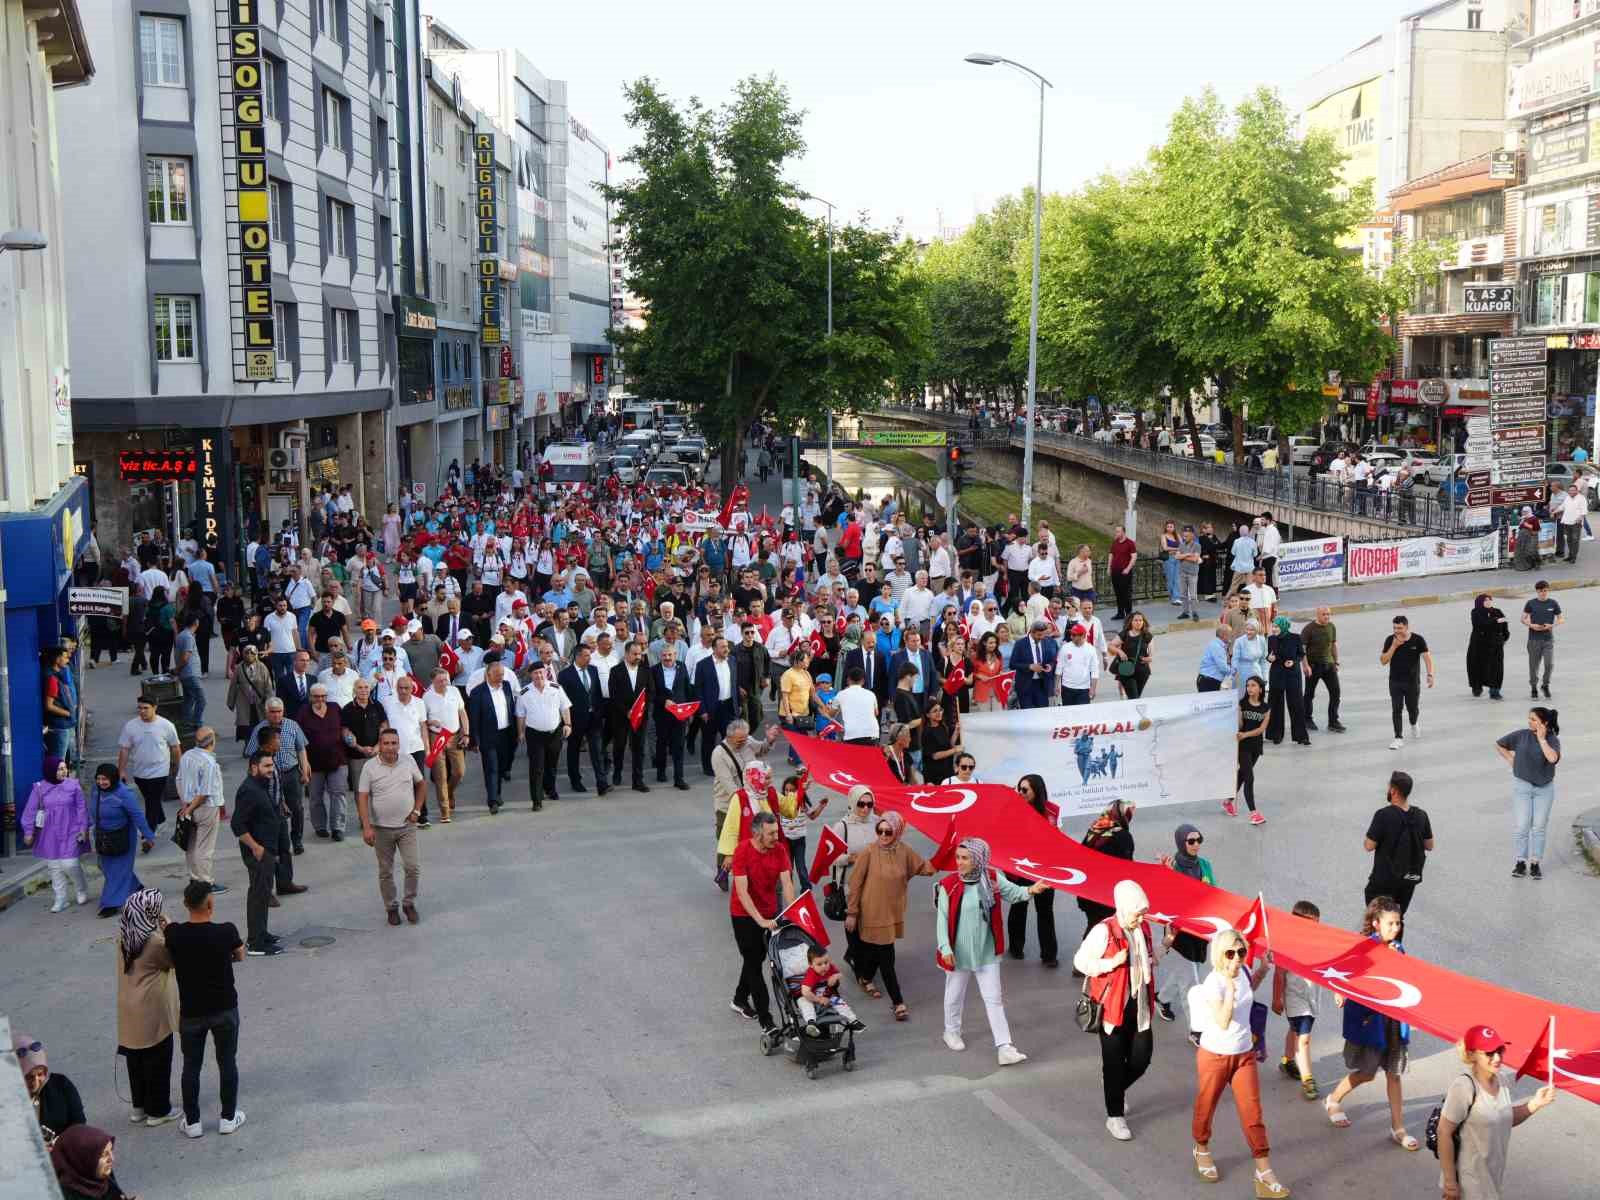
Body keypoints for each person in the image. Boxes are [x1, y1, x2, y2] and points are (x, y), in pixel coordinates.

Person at [1189, 928, 1287, 1196]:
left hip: (1244, 1054)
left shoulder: (1242, 971)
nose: (1236, 958)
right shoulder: (1214, 982)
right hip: (1215, 1054)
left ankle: (1264, 1172)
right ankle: (1201, 1147)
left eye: (1241, 951)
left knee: (1253, 1114)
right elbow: (1222, 1021)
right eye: (1230, 953)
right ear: (1219, 955)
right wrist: (1230, 990)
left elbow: (1249, 987)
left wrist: (1263, 970)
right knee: (1206, 1106)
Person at [935, 836, 1045, 1065]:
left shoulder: (993, 878)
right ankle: (951, 1031)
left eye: (965, 858)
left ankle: (1004, 1047)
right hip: (958, 952)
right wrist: (945, 947)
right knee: (954, 995)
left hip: (987, 952)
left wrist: (1033, 890)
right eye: (958, 857)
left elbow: (1015, 894)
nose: (959, 862)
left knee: (994, 999)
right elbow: (942, 919)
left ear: (978, 859)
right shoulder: (949, 885)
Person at [1323, 897, 1418, 1150]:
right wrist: (1340, 990)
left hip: (1394, 1022)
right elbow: (1343, 969)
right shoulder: (1364, 947)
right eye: (1390, 923)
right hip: (1372, 1021)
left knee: (1394, 1074)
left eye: (1398, 923)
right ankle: (1334, 1098)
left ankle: (1398, 1128)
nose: (1395, 928)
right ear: (1376, 924)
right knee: (1366, 1072)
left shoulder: (1398, 949)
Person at [1074, 879, 1162, 1140]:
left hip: (1139, 1004)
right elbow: (1080, 962)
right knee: (1113, 1063)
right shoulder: (1104, 930)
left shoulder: (1142, 928)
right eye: (1138, 912)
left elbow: (1148, 959)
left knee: (1141, 1059)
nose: (1141, 917)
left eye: (1143, 912)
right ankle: (1115, 1117)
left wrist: (1165, 945)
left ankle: (1114, 1088)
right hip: (1112, 1006)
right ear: (1124, 908)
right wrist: (1112, 962)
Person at [1437, 1024, 1557, 1200]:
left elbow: (1504, 1117)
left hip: (1492, 1178)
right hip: (1468, 1182)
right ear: (1471, 1055)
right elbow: (1444, 1132)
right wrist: (1450, 1182)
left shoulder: (1501, 1080)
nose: (1497, 1057)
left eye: (1500, 1050)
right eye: (1489, 1053)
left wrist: (1535, 1104)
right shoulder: (1464, 1087)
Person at [165, 880, 245, 1139]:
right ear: (210, 903)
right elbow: (240, 955)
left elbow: (169, 942)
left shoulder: (175, 934)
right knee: (227, 1062)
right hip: (224, 1008)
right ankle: (228, 1118)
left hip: (192, 1011)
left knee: (191, 1065)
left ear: (186, 904)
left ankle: (193, 1122)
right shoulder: (226, 931)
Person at [846, 809, 934, 1022]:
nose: (883, 836)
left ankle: (865, 976)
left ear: (898, 832)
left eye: (888, 832)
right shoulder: (869, 852)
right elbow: (855, 884)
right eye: (880, 831)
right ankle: (898, 1002)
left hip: (892, 912)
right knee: (886, 957)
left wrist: (947, 856)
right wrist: (852, 913)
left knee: (874, 954)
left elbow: (924, 868)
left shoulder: (904, 851)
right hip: (871, 912)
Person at [114, 888, 177, 1127]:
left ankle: (139, 1107)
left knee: (136, 1060)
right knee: (158, 1060)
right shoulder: (155, 942)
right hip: (151, 1008)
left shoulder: (125, 936)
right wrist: (169, 927)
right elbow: (174, 959)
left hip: (128, 1007)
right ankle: (158, 1111)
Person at [728, 811, 796, 1031]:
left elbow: (786, 883)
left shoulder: (779, 849)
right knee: (755, 965)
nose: (777, 836)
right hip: (744, 914)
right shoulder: (742, 851)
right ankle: (767, 1021)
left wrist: (793, 911)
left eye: (777, 831)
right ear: (758, 834)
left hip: (770, 911)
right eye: (772, 833)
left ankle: (739, 999)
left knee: (755, 959)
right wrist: (760, 920)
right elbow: (742, 891)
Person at [357, 728, 426, 925]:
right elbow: (362, 797)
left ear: (399, 744)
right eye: (386, 743)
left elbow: (421, 784)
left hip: (407, 827)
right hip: (381, 829)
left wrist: (417, 811)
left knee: (412, 867)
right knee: (386, 871)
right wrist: (366, 826)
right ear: (380, 744)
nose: (390, 747)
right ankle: (391, 907)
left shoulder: (408, 761)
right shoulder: (370, 767)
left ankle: (409, 903)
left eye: (393, 743)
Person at [230, 751, 285, 956]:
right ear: (254, 768)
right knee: (258, 894)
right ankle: (255, 943)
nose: (271, 770)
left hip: (266, 851)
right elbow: (237, 824)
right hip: (259, 853)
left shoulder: (259, 786)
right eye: (266, 766)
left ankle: (262, 934)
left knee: (263, 893)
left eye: (272, 766)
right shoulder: (249, 790)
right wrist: (256, 847)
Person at [1496, 707, 1560, 880]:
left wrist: (1541, 739)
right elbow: (1500, 744)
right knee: (1522, 825)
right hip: (1522, 786)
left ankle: (1535, 863)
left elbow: (1553, 758)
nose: (1529, 722)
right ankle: (1520, 861)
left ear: (1544, 722)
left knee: (1539, 827)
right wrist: (1511, 760)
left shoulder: (1552, 739)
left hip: (1544, 789)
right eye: (1529, 718)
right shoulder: (1521, 735)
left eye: (1533, 719)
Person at [20, 755, 90, 912]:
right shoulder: (39, 788)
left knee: (70, 864)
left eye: (65, 768)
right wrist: (28, 832)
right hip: (48, 832)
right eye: (60, 768)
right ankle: (61, 898)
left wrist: (83, 828)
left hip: (71, 829)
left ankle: (81, 888)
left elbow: (81, 809)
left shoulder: (74, 786)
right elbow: (30, 811)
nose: (64, 771)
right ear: (50, 770)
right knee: (54, 867)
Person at [1271, 900, 1323, 1101]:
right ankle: (1307, 1078)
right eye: (1311, 924)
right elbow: (1279, 975)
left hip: (1311, 997)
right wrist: (1277, 999)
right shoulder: (1286, 945)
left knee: (1294, 1031)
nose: (1315, 929)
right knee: (1304, 1037)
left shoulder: (1317, 944)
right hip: (1294, 998)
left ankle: (1287, 1060)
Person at [1006, 772, 1059, 967]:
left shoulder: (1051, 813)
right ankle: (1015, 947)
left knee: (1045, 912)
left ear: (1036, 791)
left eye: (1025, 790)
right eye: (1018, 789)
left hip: (1044, 870)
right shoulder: (1012, 811)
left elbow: (1058, 842)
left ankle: (1049, 955)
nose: (1020, 792)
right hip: (1019, 869)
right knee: (1018, 907)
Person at [90, 763, 155, 918]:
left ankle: (110, 904)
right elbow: (91, 811)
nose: (101, 782)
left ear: (113, 778)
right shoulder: (95, 791)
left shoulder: (124, 793)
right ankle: (136, 886)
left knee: (117, 869)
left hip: (122, 837)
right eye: (98, 779)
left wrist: (148, 836)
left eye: (105, 779)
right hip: (103, 836)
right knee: (106, 867)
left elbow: (137, 815)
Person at [1362, 771, 1432, 914]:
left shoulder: (1383, 815)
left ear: (1393, 790)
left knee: (1377, 919)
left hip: (1383, 880)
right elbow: (1429, 845)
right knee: (1397, 918)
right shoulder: (1421, 815)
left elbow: (1369, 846)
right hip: (1407, 881)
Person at [116, 695, 179, 833]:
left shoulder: (166, 725)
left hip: (160, 770)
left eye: (146, 708)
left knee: (152, 800)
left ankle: (148, 832)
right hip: (140, 772)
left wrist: (177, 766)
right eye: (139, 708)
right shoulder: (131, 726)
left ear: (155, 708)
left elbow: (175, 747)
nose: (142, 711)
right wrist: (121, 771)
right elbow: (125, 749)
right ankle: (161, 820)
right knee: (151, 799)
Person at [175, 729, 227, 894]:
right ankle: (205, 882)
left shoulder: (187, 756)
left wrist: (186, 805)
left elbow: (179, 780)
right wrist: (190, 807)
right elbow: (205, 792)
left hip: (189, 805)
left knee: (191, 845)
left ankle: (194, 878)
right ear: (212, 742)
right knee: (205, 847)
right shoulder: (209, 763)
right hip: (206, 808)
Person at [467, 656, 520, 815]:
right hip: (488, 736)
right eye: (497, 675)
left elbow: (512, 708)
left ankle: (497, 792)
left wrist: (517, 731)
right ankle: (492, 800)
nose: (501, 678)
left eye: (502, 674)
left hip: (506, 734)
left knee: (503, 766)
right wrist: (474, 740)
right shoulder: (478, 692)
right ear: (488, 675)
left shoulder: (507, 686)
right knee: (491, 768)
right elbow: (474, 718)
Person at [1076, 798, 1135, 936]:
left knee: (1094, 925)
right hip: (1107, 895)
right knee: (1103, 932)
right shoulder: (1123, 836)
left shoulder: (1094, 830)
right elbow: (1127, 867)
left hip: (1087, 892)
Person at [517, 664, 572, 810]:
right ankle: (536, 800)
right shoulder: (524, 692)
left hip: (554, 733)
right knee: (536, 767)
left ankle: (550, 789)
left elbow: (564, 707)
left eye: (541, 672)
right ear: (530, 675)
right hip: (534, 734)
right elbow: (521, 715)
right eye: (535, 673)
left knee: (552, 764)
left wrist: (568, 724)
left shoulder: (556, 688)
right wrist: (521, 732)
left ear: (546, 673)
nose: (539, 676)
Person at [16, 1032, 86, 1145]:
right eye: (28, 1077)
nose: (35, 1081)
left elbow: (79, 1123)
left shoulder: (62, 1086)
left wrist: (59, 1144)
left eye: (40, 1074)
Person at [422, 668, 470, 820]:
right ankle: (445, 811)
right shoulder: (427, 697)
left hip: (455, 736)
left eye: (446, 680)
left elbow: (462, 712)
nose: (444, 683)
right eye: (440, 681)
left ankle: (449, 792)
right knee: (440, 775)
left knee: (459, 772)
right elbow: (422, 721)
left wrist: (466, 733)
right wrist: (431, 721)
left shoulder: (454, 691)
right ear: (433, 681)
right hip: (437, 737)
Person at [1380, 616, 1434, 750]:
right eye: (1394, 628)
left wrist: (1430, 674)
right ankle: (1398, 737)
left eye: (1399, 628)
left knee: (1412, 709)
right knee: (1396, 709)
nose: (1396, 631)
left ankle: (1414, 723)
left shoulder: (1417, 639)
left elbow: (1427, 658)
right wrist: (1394, 646)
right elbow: (1383, 661)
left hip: (1412, 682)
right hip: (1395, 681)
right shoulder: (1390, 640)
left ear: (1407, 627)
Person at [50, 1125, 140, 1200]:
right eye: (104, 1155)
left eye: (111, 1150)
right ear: (84, 1161)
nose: (112, 1159)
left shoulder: (99, 1175)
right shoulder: (67, 1195)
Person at [798, 946, 865, 1034]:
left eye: (826, 962)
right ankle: (811, 1023)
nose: (824, 966)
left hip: (827, 995)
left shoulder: (830, 968)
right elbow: (805, 992)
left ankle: (853, 1020)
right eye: (819, 964)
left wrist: (835, 976)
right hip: (812, 997)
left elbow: (839, 974)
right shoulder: (811, 974)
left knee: (839, 1002)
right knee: (803, 1001)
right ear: (811, 965)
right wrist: (818, 999)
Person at [1264, 616, 1309, 747]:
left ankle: (1301, 737)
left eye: (1276, 627)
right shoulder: (1271, 639)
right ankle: (1275, 735)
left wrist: (1293, 661)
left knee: (1296, 704)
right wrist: (1269, 658)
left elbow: (1301, 654)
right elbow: (1269, 655)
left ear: (1283, 626)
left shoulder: (1295, 638)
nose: (1274, 629)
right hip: (1277, 674)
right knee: (1275, 704)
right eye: (1273, 626)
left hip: (1292, 674)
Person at [1230, 676, 1269, 822]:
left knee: (1242, 775)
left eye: (1253, 685)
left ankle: (1227, 801)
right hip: (1243, 747)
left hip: (1256, 746)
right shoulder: (1242, 704)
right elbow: (1240, 725)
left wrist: (1245, 734)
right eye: (1248, 686)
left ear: (1260, 688)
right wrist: (1238, 714)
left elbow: (1261, 730)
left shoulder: (1266, 708)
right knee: (1249, 778)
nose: (1249, 688)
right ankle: (1254, 813)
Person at [1300, 607, 1344, 732]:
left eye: (1328, 614)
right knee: (1309, 694)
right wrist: (1305, 665)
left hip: (1329, 665)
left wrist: (1335, 661)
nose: (1327, 617)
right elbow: (1302, 649)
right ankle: (1307, 719)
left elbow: (1333, 644)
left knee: (1335, 693)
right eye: (1324, 614)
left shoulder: (1331, 627)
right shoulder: (1309, 629)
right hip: (1313, 666)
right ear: (1318, 615)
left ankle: (1333, 721)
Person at [1520, 579, 1561, 699]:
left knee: (1550, 664)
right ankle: (1533, 687)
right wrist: (1532, 625)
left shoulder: (1553, 603)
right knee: (1534, 666)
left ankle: (1545, 685)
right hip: (1534, 640)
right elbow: (1523, 618)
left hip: (1548, 639)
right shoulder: (1531, 603)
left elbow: (1561, 619)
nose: (1543, 593)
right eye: (1540, 591)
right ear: (1537, 591)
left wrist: (1552, 625)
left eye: (1545, 591)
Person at [226, 644, 275, 741]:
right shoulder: (239, 668)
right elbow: (233, 686)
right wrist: (230, 702)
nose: (249, 655)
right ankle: (248, 745)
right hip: (244, 701)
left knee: (260, 724)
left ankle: (259, 745)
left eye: (252, 653)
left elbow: (268, 686)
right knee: (246, 726)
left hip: (259, 702)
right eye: (246, 653)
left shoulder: (262, 668)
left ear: (256, 654)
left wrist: (269, 702)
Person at [1466, 594, 1509, 700]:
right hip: (1479, 646)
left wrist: (1504, 637)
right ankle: (1477, 687)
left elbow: (1504, 624)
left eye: (1490, 600)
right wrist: (1495, 621)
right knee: (1477, 666)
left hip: (1496, 645)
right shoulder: (1476, 612)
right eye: (1485, 600)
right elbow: (1480, 623)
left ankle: (1495, 691)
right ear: (1480, 602)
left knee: (1497, 668)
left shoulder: (1497, 611)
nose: (1488, 601)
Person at [1110, 612, 1154, 698]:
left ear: (1143, 622)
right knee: (1134, 697)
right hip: (1126, 670)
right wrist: (1120, 652)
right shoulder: (1125, 634)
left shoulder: (1148, 636)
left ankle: (1128, 709)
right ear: (1131, 622)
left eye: (1140, 620)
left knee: (1136, 698)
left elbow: (1151, 655)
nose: (1138, 622)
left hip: (1142, 672)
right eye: (1136, 620)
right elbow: (1111, 645)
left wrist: (1149, 658)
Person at [1108, 525, 1137, 621]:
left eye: (1118, 531)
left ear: (1123, 532)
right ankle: (1120, 613)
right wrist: (1109, 568)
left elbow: (1134, 557)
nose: (1116, 533)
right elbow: (1111, 555)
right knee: (1118, 593)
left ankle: (1129, 614)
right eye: (1116, 531)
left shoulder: (1130, 543)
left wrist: (1128, 569)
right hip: (1115, 571)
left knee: (1126, 593)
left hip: (1125, 572)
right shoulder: (1115, 543)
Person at [1196, 622, 1234, 691]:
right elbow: (1223, 667)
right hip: (1208, 681)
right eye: (1230, 634)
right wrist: (1235, 672)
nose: (1231, 636)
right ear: (1223, 635)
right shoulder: (1217, 647)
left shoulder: (1218, 644)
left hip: (1210, 680)